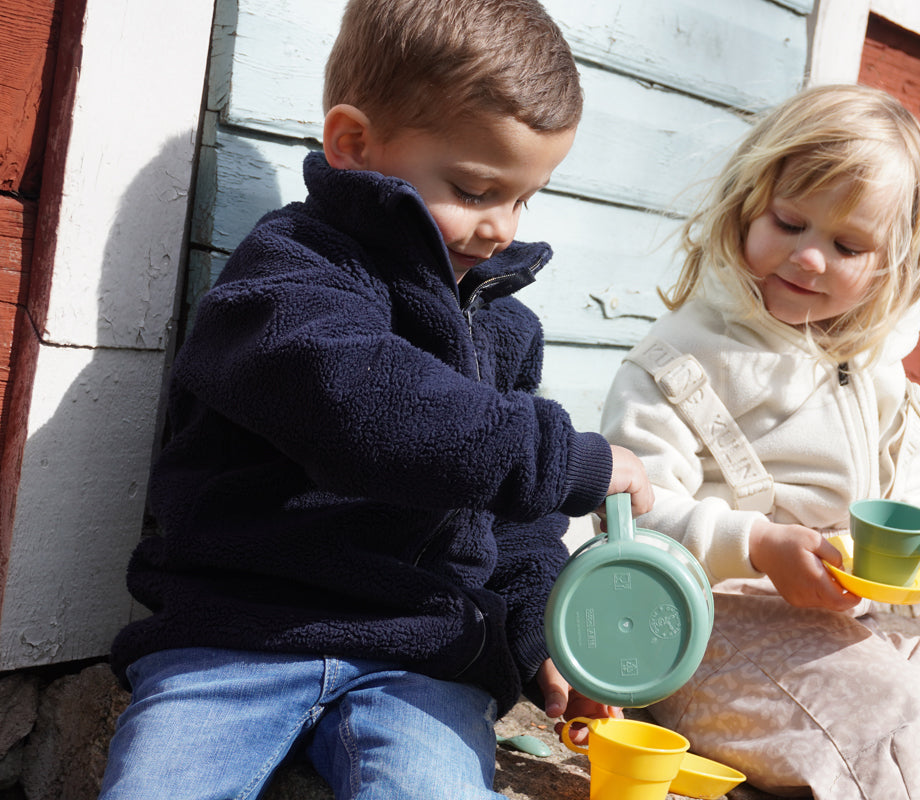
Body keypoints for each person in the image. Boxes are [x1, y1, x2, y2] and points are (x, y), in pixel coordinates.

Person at [98, 1, 652, 798]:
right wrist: (566, 457)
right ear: (355, 145)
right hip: (239, 636)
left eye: (524, 199)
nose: (500, 228)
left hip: (421, 657)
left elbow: (516, 524)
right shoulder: (286, 282)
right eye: (472, 188)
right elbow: (375, 412)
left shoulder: (504, 328)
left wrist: (540, 635)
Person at [600, 83, 920, 798]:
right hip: (705, 637)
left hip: (841, 640)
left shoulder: (868, 365)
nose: (809, 259)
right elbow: (633, 514)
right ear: (748, 202)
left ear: (887, 265)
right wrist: (761, 547)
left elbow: (898, 502)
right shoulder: (684, 358)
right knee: (900, 732)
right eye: (790, 222)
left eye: (847, 245)